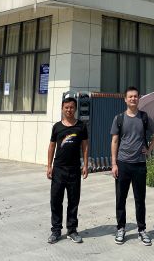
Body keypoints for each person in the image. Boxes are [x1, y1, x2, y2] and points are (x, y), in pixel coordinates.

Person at [110, 86, 154, 246]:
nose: (133, 99)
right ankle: (121, 228)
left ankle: (142, 229)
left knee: (140, 199)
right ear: (125, 99)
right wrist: (114, 164)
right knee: (121, 199)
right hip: (123, 164)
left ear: (139, 99)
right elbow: (114, 141)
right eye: (130, 96)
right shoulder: (119, 118)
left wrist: (149, 149)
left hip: (139, 164)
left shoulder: (144, 117)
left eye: (135, 96)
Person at [47, 94, 89, 244]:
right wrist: (49, 166)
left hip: (74, 169)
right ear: (62, 109)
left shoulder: (81, 126)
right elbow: (52, 146)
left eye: (71, 107)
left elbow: (85, 146)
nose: (69, 110)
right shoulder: (57, 127)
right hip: (58, 169)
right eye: (66, 107)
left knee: (73, 201)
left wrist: (85, 165)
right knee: (56, 200)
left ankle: (72, 230)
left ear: (75, 109)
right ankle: (56, 230)